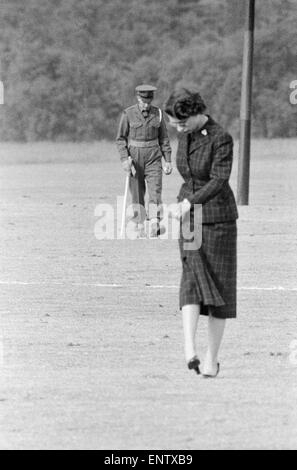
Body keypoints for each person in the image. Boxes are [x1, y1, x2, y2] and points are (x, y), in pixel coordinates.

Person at [164, 88, 238, 378]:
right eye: (175, 124)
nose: (179, 129)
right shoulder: (185, 136)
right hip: (189, 219)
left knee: (218, 289)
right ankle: (189, 350)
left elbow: (219, 180)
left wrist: (188, 203)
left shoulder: (221, 138)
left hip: (218, 220)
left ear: (196, 114)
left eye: (182, 123)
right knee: (191, 279)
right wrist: (183, 204)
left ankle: (212, 359)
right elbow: (189, 176)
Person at [116, 84, 172, 238]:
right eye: (143, 100)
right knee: (137, 192)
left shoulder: (158, 114)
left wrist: (167, 160)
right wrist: (124, 159)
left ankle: (154, 223)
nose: (146, 104)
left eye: (149, 100)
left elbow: (164, 139)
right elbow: (120, 139)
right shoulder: (128, 114)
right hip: (134, 157)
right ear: (138, 98)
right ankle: (139, 224)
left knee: (155, 190)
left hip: (154, 156)